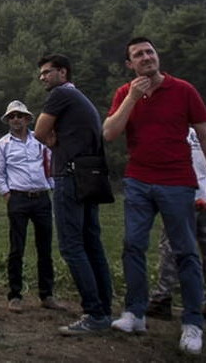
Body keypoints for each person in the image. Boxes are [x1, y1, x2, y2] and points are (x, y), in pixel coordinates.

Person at [102, 37, 206, 355]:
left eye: (150, 52)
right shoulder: (125, 93)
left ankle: (192, 323)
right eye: (138, 55)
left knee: (185, 252)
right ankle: (135, 313)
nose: (146, 57)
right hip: (138, 181)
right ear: (130, 64)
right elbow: (109, 133)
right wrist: (132, 98)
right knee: (133, 245)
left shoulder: (184, 91)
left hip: (177, 182)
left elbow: (204, 135)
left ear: (157, 56)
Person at [33, 53, 113, 336]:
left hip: (69, 175)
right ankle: (104, 307)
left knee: (71, 245)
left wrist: (52, 139)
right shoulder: (80, 99)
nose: (43, 77)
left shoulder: (60, 95)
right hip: (89, 176)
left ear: (63, 73)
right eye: (41, 73)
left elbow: (39, 132)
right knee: (92, 242)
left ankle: (94, 313)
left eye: (47, 72)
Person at [0, 99, 65, 313]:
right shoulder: (2, 144)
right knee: (17, 248)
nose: (15, 119)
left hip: (42, 198)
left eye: (19, 116)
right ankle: (15, 295)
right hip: (18, 198)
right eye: (12, 116)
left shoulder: (40, 140)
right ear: (8, 120)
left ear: (27, 119)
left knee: (45, 248)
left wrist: (51, 188)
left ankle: (47, 294)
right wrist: (8, 195)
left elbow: (50, 164)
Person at [146, 128, 206, 320]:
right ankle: (167, 300)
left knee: (170, 249)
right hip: (188, 195)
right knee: (178, 251)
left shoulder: (178, 129)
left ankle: (162, 299)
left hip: (182, 196)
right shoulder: (191, 129)